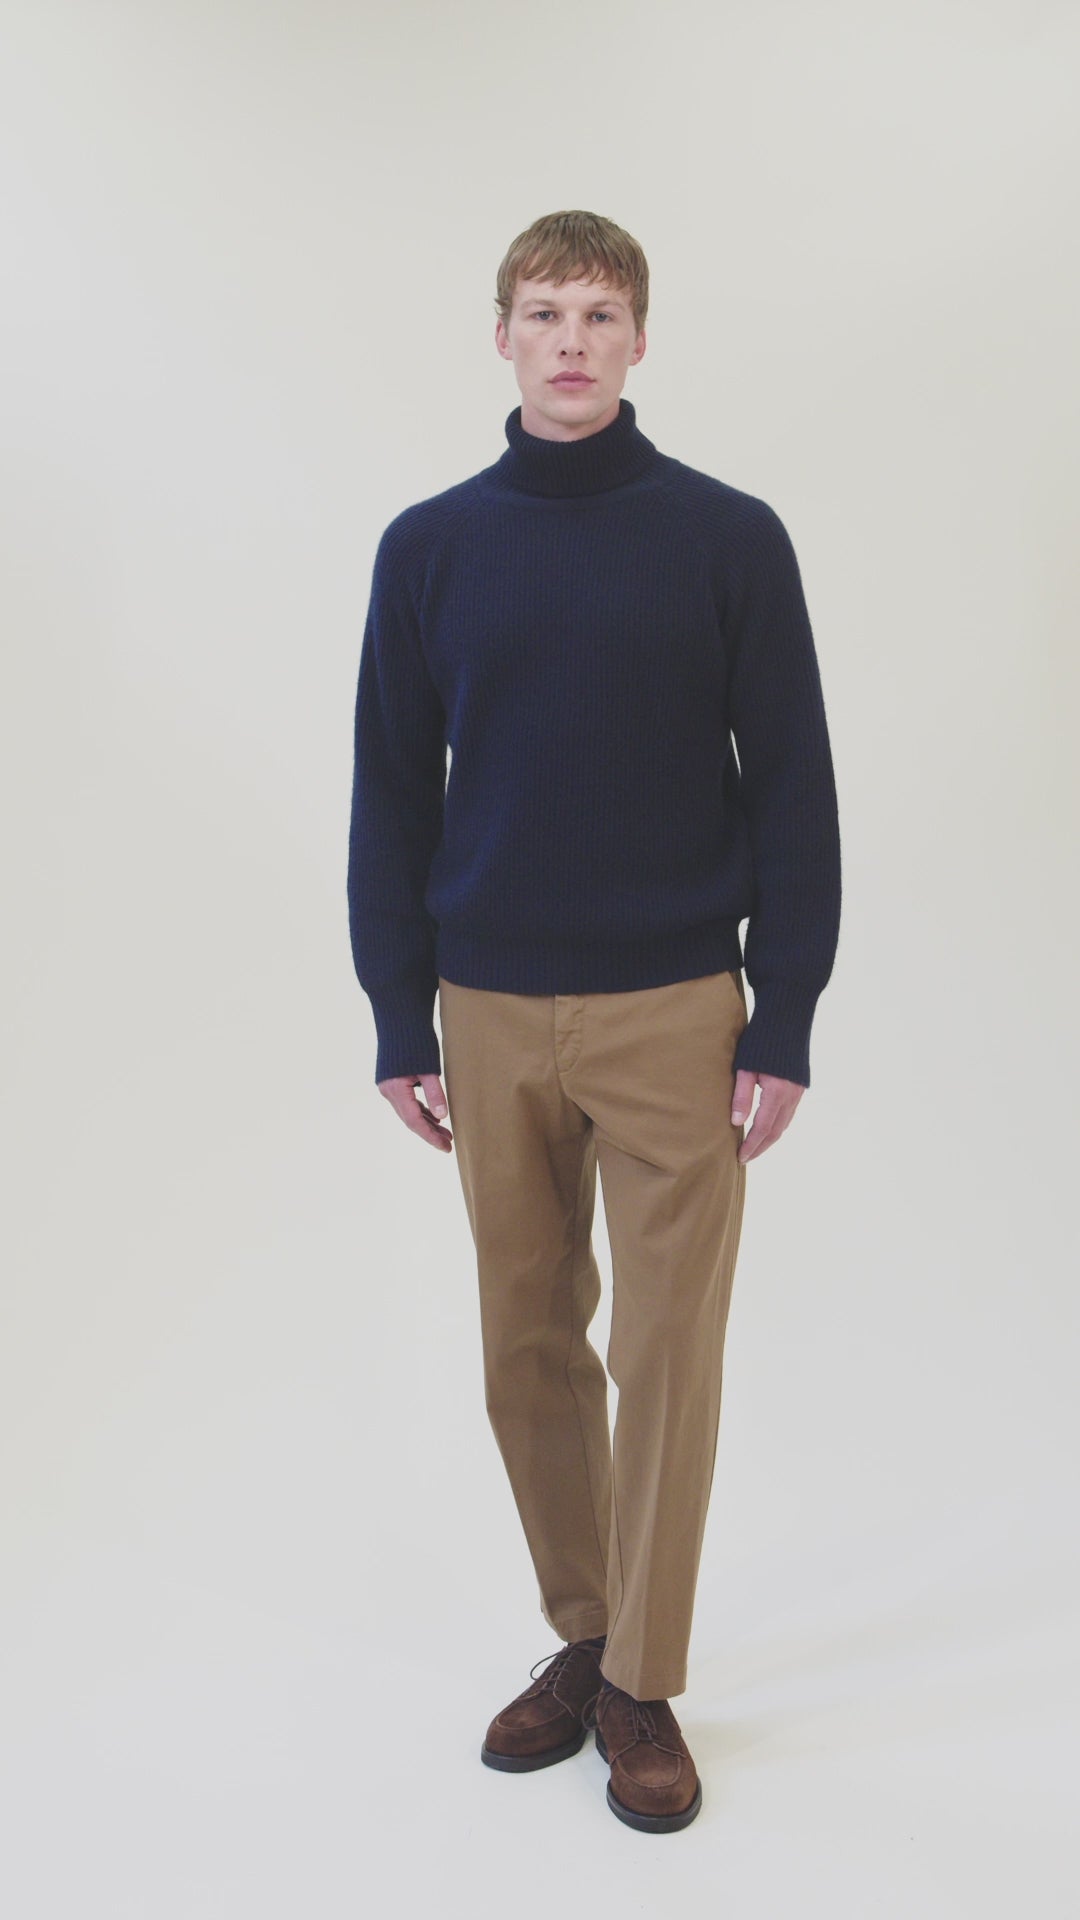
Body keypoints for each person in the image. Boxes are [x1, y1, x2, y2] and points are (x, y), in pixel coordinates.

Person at [347, 208, 842, 1833]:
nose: (572, 341)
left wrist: (783, 1019)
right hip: (485, 1008)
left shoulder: (728, 539)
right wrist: (398, 1014)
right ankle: (584, 1631)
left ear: (640, 340)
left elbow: (795, 786)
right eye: (546, 312)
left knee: (666, 1349)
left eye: (602, 314)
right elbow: (390, 795)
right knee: (526, 1342)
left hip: (678, 1010)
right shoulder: (429, 547)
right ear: (501, 334)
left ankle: (645, 1679)